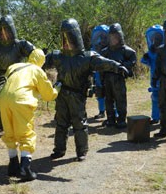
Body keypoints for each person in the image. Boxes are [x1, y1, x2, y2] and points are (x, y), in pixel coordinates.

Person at [43, 18, 128, 161]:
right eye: (64, 38)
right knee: (61, 123)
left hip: (77, 95)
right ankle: (59, 150)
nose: (66, 41)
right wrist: (40, 58)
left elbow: (104, 63)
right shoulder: (57, 56)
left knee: (79, 124)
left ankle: (81, 151)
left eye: (69, 37)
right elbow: (39, 63)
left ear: (75, 37)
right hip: (62, 94)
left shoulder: (86, 57)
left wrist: (118, 67)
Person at [0, 48, 60, 181]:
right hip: (21, 101)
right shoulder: (37, 70)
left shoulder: (14, 66)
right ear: (42, 61)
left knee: (10, 132)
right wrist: (56, 89)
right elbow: (48, 95)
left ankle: (13, 165)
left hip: (3, 100)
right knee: (26, 133)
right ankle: (25, 168)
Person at [0, 15, 35, 135]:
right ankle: (1, 126)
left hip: (16, 77)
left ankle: (16, 126)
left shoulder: (20, 45)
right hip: (0, 77)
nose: (3, 33)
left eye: (6, 29)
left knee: (16, 102)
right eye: (1, 30)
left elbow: (35, 55)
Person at [101, 23, 137, 129]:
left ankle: (121, 120)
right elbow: (99, 64)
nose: (113, 39)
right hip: (107, 79)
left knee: (120, 100)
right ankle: (110, 119)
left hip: (119, 78)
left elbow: (133, 59)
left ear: (120, 37)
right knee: (108, 100)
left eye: (115, 37)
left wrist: (123, 66)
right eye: (111, 37)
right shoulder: (105, 51)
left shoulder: (125, 50)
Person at [140, 25, 164, 124]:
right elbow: (145, 62)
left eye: (158, 38)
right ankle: (155, 117)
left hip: (164, 78)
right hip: (154, 78)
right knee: (155, 98)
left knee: (164, 100)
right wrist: (146, 58)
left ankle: (164, 119)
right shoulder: (151, 51)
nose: (156, 40)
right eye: (154, 38)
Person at [90, 25, 109, 119]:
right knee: (99, 92)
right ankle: (102, 111)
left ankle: (115, 113)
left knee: (111, 94)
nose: (101, 40)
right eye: (98, 36)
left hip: (108, 75)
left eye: (103, 36)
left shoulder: (111, 49)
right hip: (98, 75)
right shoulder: (93, 50)